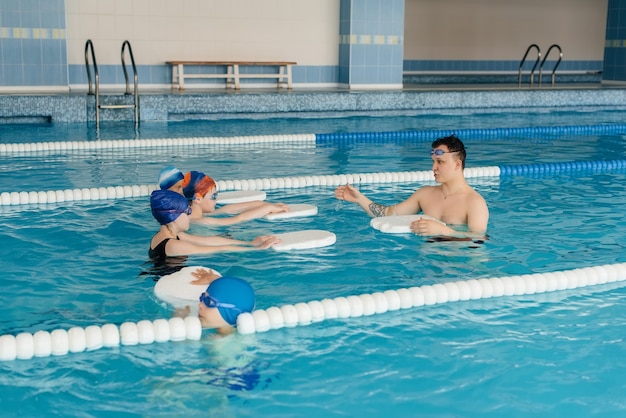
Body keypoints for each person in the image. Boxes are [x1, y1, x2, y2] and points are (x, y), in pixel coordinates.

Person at [334, 134, 489, 237]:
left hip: (460, 269)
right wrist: (360, 199)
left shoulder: (474, 202)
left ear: (457, 164)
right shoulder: (425, 194)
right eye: (433, 162)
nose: (433, 168)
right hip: (428, 264)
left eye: (440, 162)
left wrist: (444, 231)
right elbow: (389, 214)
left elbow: (478, 240)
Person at [149, 189, 280, 259]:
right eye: (187, 211)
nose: (190, 214)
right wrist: (256, 249)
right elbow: (215, 249)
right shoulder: (174, 245)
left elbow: (207, 241)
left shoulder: (168, 235)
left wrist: (248, 243)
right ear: (175, 217)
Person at [182, 170, 290, 226]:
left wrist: (267, 204)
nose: (216, 200)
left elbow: (228, 209)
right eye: (213, 196)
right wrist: (269, 209)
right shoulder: (200, 221)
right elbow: (238, 219)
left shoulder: (197, 215)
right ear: (198, 198)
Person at [174, 268, 255, 335]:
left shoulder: (221, 348)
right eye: (202, 298)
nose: (200, 305)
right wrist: (215, 280)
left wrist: (178, 319)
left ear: (231, 313)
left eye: (209, 302)